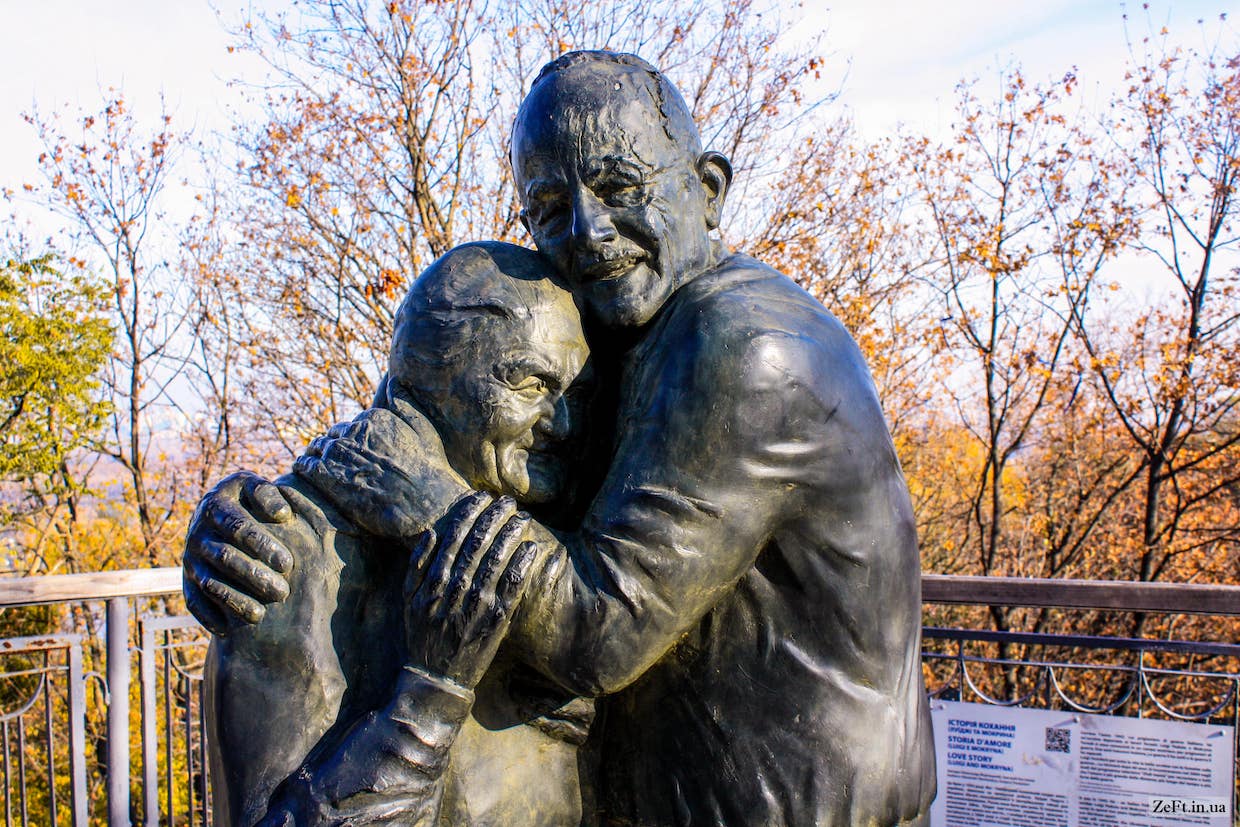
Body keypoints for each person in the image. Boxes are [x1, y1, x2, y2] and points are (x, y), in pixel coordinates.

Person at [187, 51, 937, 826]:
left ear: (707, 190)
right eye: (548, 204)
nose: (585, 228)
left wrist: (426, 499)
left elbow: (597, 628)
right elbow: (436, 413)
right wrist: (247, 520)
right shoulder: (627, 327)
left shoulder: (744, 345)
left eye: (619, 186)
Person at [199, 241, 593, 826]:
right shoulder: (300, 554)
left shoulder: (572, 529)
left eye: (576, 395)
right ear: (422, 385)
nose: (564, 424)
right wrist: (431, 696)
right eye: (530, 384)